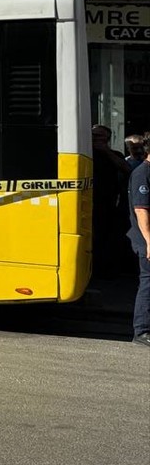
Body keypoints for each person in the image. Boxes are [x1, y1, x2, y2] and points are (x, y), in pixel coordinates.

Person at [92, 124, 131, 278]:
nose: (95, 139)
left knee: (105, 236)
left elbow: (127, 170)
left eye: (99, 137)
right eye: (93, 136)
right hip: (87, 201)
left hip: (106, 203)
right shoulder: (84, 154)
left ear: (107, 139)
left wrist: (106, 152)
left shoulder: (114, 154)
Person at [126, 144, 150, 347]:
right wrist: (149, 242)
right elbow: (141, 210)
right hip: (146, 240)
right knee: (148, 282)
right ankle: (141, 331)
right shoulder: (142, 173)